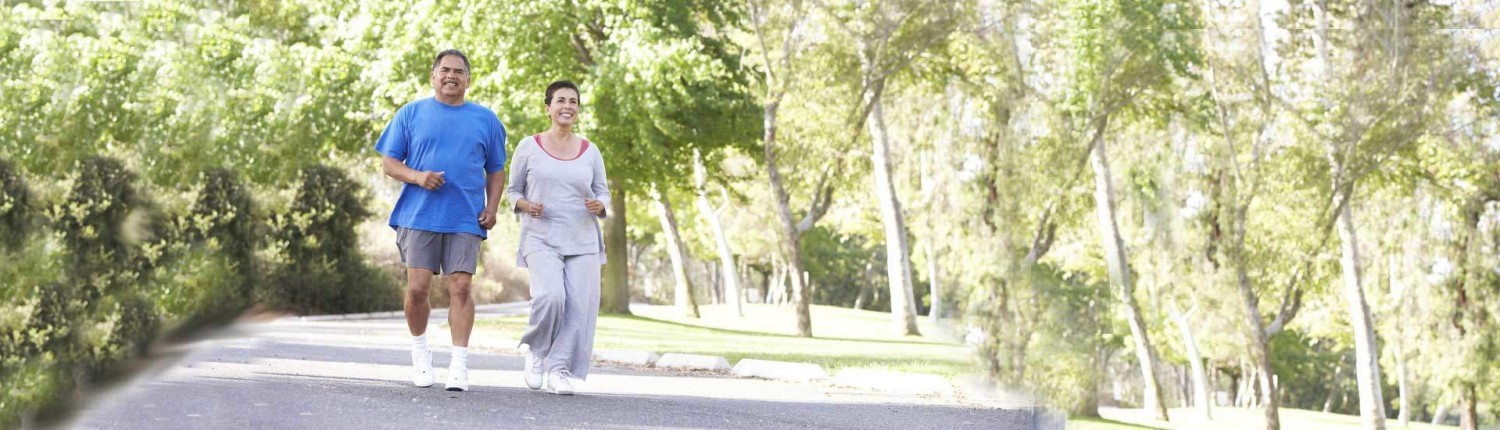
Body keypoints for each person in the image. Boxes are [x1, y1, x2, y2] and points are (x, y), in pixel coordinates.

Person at [374, 49, 507, 392]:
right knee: (418, 290)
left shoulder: (486, 120)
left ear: (467, 79)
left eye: (458, 71)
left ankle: (459, 365)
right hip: (419, 216)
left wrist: (492, 208)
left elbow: (496, 170)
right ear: (433, 76)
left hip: (465, 217)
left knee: (461, 288)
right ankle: (421, 354)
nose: (451, 76)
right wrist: (418, 177)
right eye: (445, 70)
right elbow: (389, 163)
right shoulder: (411, 113)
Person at [505, 80, 609, 395]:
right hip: (541, 236)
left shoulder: (591, 151)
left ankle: (559, 369)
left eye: (573, 101)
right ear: (548, 107)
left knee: (579, 307)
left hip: (582, 238)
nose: (567, 106)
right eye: (560, 100)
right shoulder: (528, 146)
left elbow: (603, 191)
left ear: (578, 109)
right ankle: (537, 351)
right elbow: (513, 191)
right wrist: (524, 205)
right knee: (550, 297)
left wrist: (600, 204)